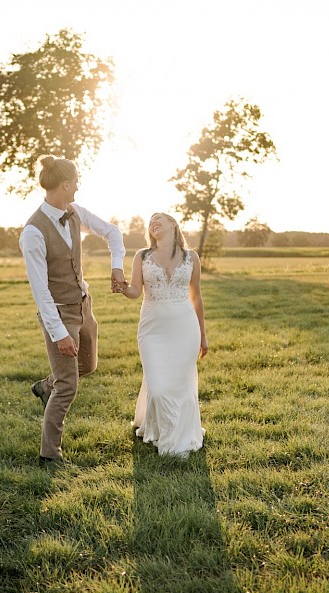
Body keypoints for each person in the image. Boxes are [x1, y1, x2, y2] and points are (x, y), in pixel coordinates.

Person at [19, 155, 126, 464]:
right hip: (59, 313)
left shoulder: (75, 212)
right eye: (76, 181)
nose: (78, 186)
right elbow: (41, 292)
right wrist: (59, 334)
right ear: (65, 184)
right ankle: (49, 456)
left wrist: (116, 268)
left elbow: (113, 232)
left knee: (87, 367)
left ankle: (44, 386)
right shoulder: (33, 232)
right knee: (68, 386)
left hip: (84, 307)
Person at [119, 212, 207, 457]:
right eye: (150, 221)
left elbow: (196, 297)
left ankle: (177, 438)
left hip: (185, 328)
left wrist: (203, 334)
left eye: (159, 218)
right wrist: (123, 287)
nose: (153, 222)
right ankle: (161, 431)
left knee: (181, 385)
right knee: (157, 388)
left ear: (173, 225)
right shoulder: (142, 256)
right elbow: (135, 291)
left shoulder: (192, 258)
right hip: (152, 330)